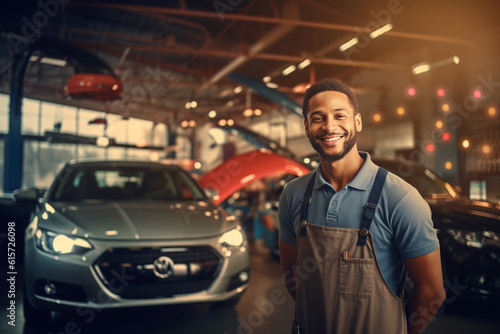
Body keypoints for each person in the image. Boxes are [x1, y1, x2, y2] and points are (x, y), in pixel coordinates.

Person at [278, 78, 445, 334]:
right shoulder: (293, 194)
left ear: (357, 121)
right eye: (318, 118)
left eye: (339, 115)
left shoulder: (401, 198)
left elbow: (431, 291)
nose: (329, 126)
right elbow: (292, 278)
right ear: (307, 127)